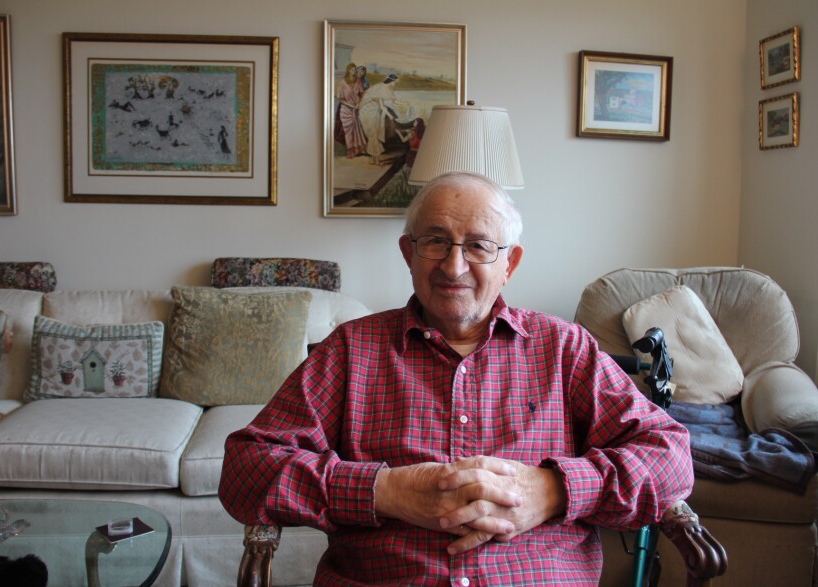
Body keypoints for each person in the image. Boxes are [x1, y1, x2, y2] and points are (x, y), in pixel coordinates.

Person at [219, 171, 693, 586]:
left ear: (509, 264)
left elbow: (670, 457)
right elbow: (245, 469)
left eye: (479, 246)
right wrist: (385, 491)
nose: (453, 265)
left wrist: (554, 490)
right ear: (408, 252)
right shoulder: (351, 350)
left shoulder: (564, 348)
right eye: (436, 241)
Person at [358, 73, 399, 164]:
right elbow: (383, 107)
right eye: (395, 82)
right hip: (367, 112)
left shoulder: (387, 89)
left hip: (374, 111)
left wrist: (403, 105)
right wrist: (390, 116)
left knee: (374, 135)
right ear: (391, 81)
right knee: (373, 134)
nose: (395, 84)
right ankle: (376, 160)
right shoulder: (379, 89)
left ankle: (374, 159)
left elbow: (394, 101)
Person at [334, 63, 367, 159]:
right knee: (348, 132)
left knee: (357, 130)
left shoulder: (358, 81)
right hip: (346, 111)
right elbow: (340, 99)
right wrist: (351, 106)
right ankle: (350, 150)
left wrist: (358, 104)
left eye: (355, 70)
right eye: (352, 69)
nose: (354, 71)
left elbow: (362, 94)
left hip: (356, 110)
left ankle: (357, 150)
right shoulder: (342, 83)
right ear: (348, 70)